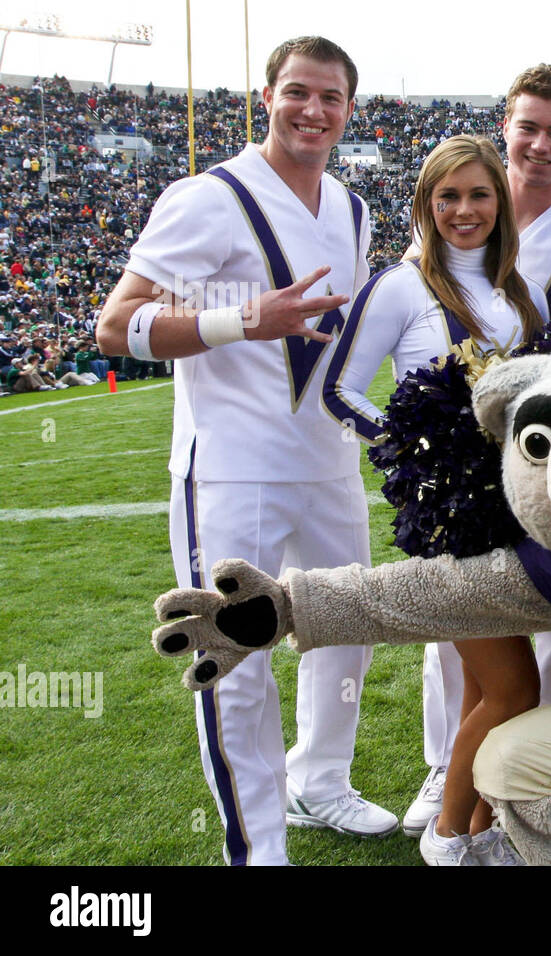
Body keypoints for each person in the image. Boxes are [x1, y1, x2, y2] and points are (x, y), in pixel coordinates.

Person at [96, 36, 397, 865]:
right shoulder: (207, 197)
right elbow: (116, 328)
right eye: (298, 92)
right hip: (233, 466)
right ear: (267, 96)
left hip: (328, 462)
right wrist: (242, 320)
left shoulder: (352, 206)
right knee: (232, 656)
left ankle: (320, 781)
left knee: (349, 632)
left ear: (348, 109)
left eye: (331, 97)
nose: (313, 110)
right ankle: (258, 850)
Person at [323, 135, 546, 865]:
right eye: (447, 197)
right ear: (426, 205)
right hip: (452, 519)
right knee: (511, 689)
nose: (464, 210)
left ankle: (479, 830)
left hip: (520, 507)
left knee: (499, 688)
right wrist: (410, 450)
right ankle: (449, 836)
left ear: (500, 203)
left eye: (479, 194)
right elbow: (339, 388)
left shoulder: (523, 289)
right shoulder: (402, 285)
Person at [399, 64, 551, 844]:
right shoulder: (457, 209)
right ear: (505, 127)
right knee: (459, 617)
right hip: (461, 473)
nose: (541, 145)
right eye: (528, 128)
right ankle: (444, 761)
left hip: (547, 458)